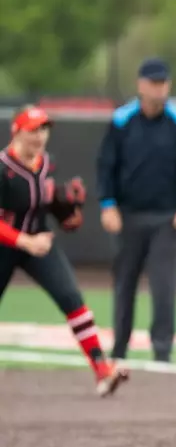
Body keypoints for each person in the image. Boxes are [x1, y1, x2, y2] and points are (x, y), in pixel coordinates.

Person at [0, 105, 129, 396]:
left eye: (43, 129)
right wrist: (23, 241)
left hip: (38, 241)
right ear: (16, 131)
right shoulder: (3, 167)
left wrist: (68, 217)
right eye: (33, 129)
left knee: (72, 299)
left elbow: (46, 207)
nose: (40, 136)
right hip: (7, 244)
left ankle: (102, 371)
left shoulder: (46, 163)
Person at [96, 57, 176, 365]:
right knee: (124, 283)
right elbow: (106, 166)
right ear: (141, 85)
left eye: (164, 83)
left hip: (166, 218)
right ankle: (119, 349)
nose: (159, 89)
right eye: (154, 83)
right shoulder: (122, 121)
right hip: (127, 215)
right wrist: (108, 204)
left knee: (163, 286)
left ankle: (162, 351)